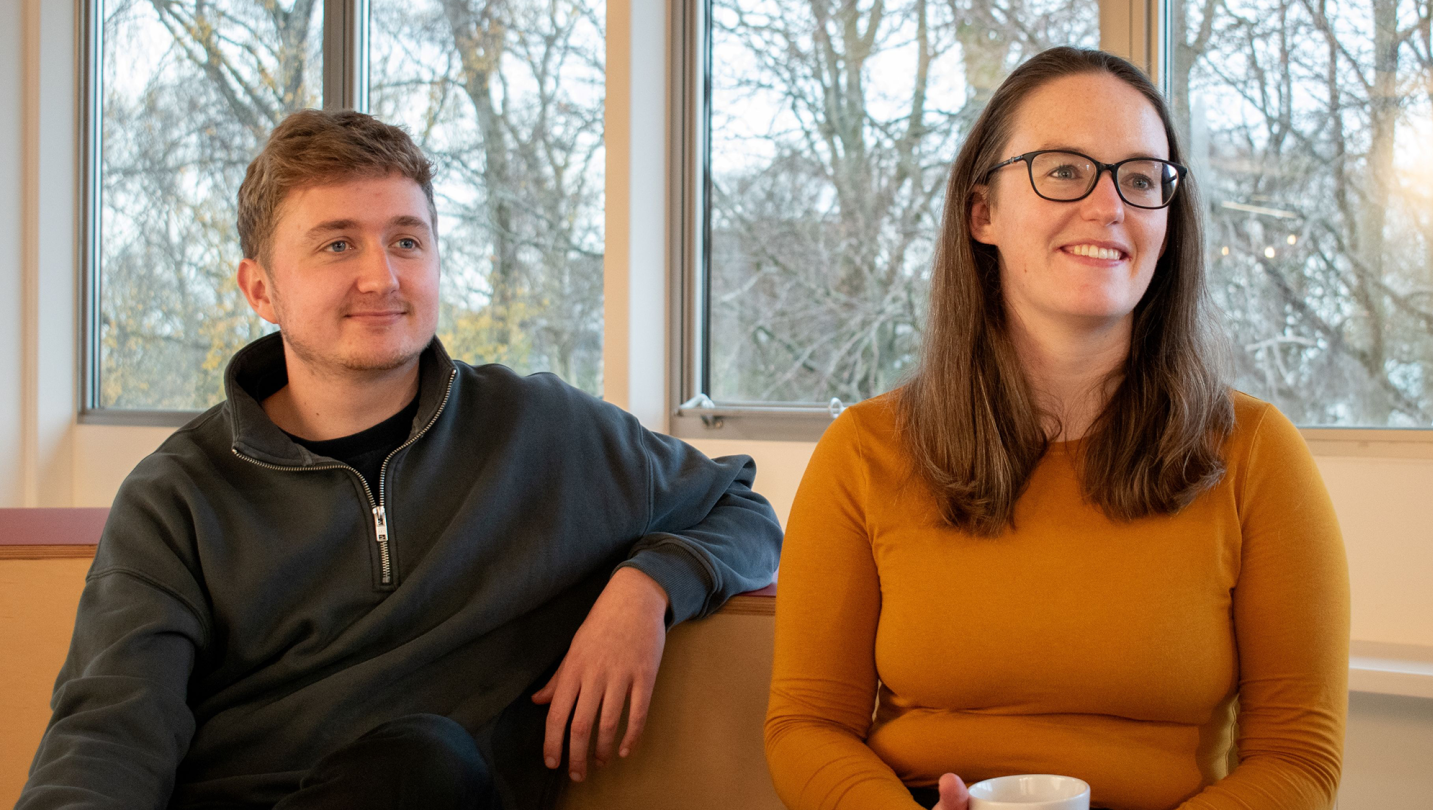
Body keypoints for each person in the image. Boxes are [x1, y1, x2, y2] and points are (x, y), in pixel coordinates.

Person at [20, 109, 782, 810]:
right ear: (261, 289)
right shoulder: (177, 495)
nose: (381, 278)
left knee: (423, 763)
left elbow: (741, 508)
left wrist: (646, 590)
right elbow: (109, 735)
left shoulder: (542, 432)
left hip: (428, 788)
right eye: (337, 243)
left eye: (407, 241)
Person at [764, 47, 1348, 810]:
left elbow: (1299, 760)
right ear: (983, 213)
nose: (1110, 206)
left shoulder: (1258, 453)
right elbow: (806, 726)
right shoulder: (864, 453)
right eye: (1065, 170)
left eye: (1141, 179)